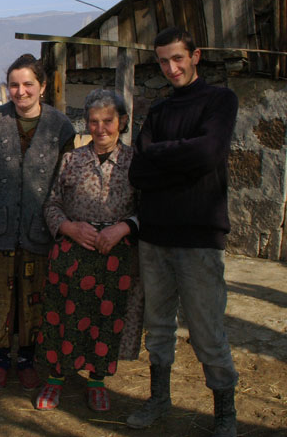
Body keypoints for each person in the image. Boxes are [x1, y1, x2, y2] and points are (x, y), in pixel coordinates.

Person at [126, 27, 239, 437]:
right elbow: (138, 171)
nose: (171, 67)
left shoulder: (220, 100)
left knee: (207, 329)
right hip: (155, 237)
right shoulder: (157, 111)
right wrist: (181, 159)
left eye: (178, 58)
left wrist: (159, 155)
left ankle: (224, 411)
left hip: (199, 238)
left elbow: (209, 153)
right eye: (163, 61)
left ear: (196, 56)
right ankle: (159, 399)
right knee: (157, 326)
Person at [34, 89, 142, 412]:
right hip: (71, 255)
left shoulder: (136, 163)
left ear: (121, 122)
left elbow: (148, 210)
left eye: (108, 121)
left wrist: (122, 228)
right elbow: (52, 204)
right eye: (93, 121)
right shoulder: (72, 159)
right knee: (61, 318)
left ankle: (96, 380)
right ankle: (55, 379)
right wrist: (69, 228)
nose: (100, 128)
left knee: (105, 320)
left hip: (115, 258)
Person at [0, 53, 76, 391]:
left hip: (40, 230)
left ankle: (27, 359)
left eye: (28, 84)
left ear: (42, 87)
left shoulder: (60, 128)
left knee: (34, 298)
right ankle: (1, 358)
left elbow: (67, 182)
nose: (20, 92)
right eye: (14, 85)